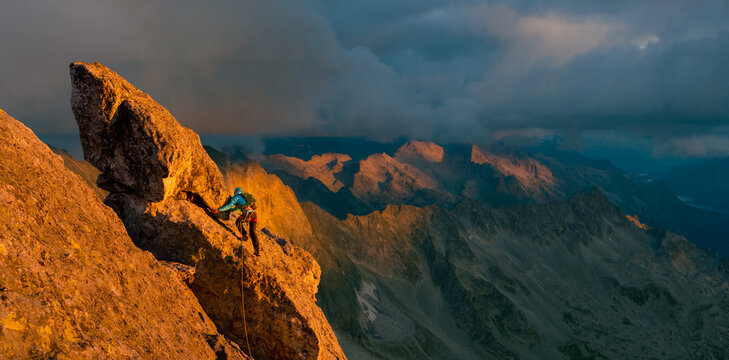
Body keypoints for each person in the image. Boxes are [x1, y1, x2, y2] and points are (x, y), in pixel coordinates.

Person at [213, 187, 260, 256]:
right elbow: (234, 209)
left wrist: (219, 210)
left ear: (235, 193)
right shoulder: (243, 199)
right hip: (253, 215)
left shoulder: (237, 197)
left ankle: (244, 235)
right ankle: (257, 250)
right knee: (252, 232)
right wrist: (228, 211)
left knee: (238, 222)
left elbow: (229, 206)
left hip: (247, 213)